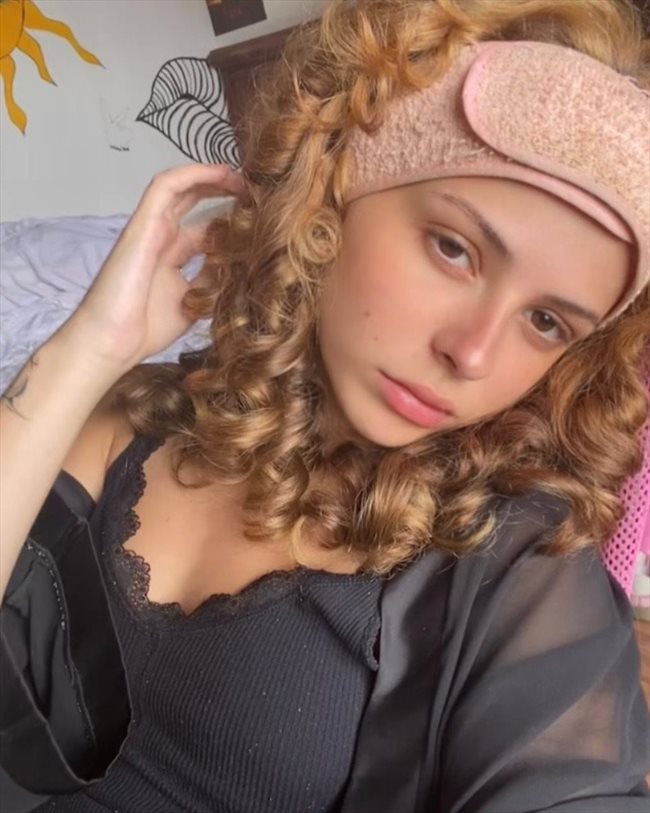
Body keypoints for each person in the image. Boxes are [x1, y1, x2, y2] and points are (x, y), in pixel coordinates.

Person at [1, 0, 649, 810]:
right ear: (333, 191)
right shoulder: (131, 420)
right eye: (454, 248)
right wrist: (87, 349)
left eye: (546, 321)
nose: (473, 352)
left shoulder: (521, 565)